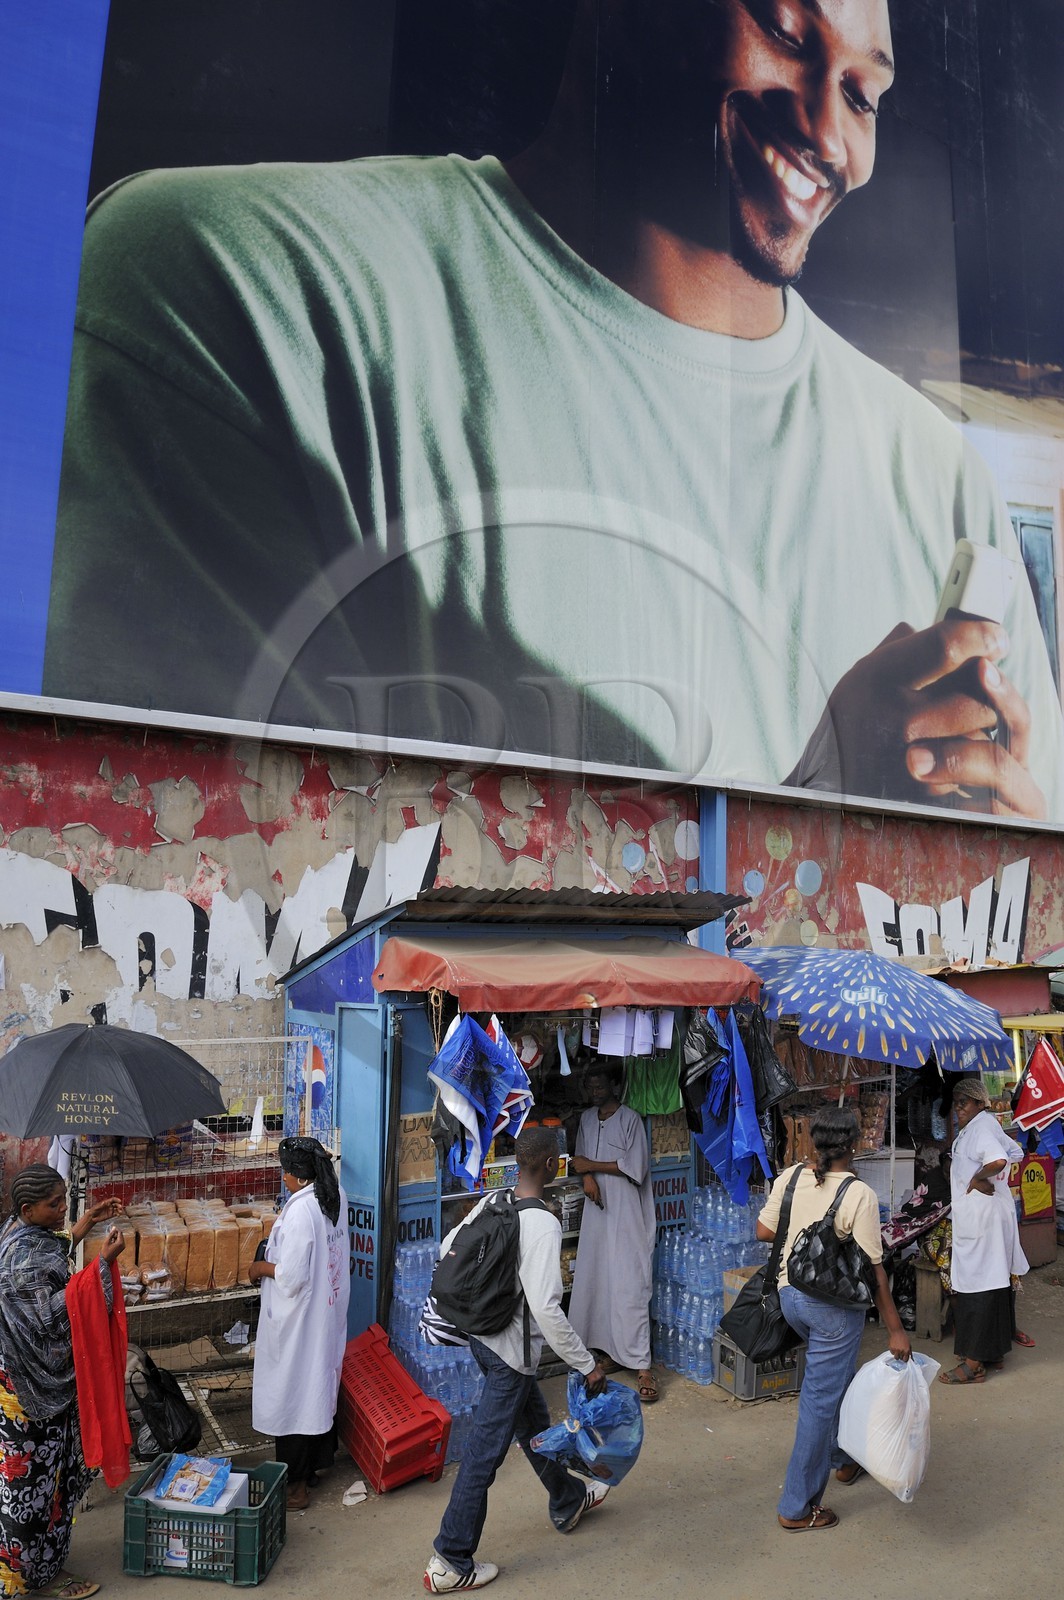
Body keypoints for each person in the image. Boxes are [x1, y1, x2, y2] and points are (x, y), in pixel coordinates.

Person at [44, 1, 1063, 821]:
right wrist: (814, 821)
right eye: (785, 34)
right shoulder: (233, 286)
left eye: (864, 93)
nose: (826, 129)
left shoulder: (933, 474)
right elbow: (210, 909)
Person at [426, 1126, 610, 1593]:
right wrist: (586, 1363)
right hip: (511, 1356)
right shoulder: (543, 1224)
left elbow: (448, 1249)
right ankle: (450, 1559)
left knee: (534, 1426)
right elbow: (547, 1308)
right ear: (553, 1165)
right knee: (483, 1457)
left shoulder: (495, 1202)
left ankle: (567, 1498)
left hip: (484, 1342)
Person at [757, 1106, 911, 1531]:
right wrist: (895, 1330)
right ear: (855, 1145)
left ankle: (844, 1460)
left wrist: (806, 1221)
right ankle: (796, 1507)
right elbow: (873, 1268)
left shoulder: (790, 1177)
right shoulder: (858, 1194)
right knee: (819, 1402)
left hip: (791, 1297)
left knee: (836, 1380)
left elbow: (764, 1231)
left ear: (814, 1142)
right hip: (832, 1311)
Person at [0, 1165, 123, 1600]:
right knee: (30, 1489)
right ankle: (21, 1578)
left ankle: (44, 1568)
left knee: (51, 1482)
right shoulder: (21, 1259)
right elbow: (50, 1317)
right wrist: (101, 1265)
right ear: (27, 1209)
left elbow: (49, 1265)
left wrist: (80, 1227)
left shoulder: (20, 1235)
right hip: (29, 1394)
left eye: (64, 1199)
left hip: (33, 1387)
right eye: (55, 1205)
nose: (62, 1209)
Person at [248, 1137, 350, 1511]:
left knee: (292, 1396)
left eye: (284, 1172)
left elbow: (290, 1276)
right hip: (325, 1310)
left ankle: (295, 1489)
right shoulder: (335, 1195)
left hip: (299, 1318)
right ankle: (316, 1467)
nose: (283, 1178)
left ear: (294, 1175)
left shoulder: (301, 1212)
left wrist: (258, 1267)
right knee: (318, 1387)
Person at [567, 1063, 657, 1403]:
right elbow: (579, 1159)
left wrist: (592, 1166)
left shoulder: (631, 1119)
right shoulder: (588, 1120)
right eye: (590, 1086)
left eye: (600, 1084)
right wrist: (586, 1175)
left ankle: (642, 1364)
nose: (595, 1091)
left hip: (627, 1213)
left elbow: (634, 1167)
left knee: (630, 1285)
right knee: (599, 1282)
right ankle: (609, 1352)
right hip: (597, 1213)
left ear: (614, 1085)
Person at [938, 1076, 1028, 1385]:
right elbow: (1016, 1152)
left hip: (983, 1218)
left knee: (978, 1286)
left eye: (964, 1102)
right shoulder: (981, 1127)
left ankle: (974, 1362)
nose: (958, 1108)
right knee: (993, 1282)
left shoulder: (981, 1127)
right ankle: (994, 1353)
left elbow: (1001, 1159)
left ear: (980, 1103)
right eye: (956, 1102)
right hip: (985, 1215)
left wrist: (978, 1179)